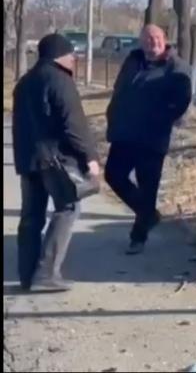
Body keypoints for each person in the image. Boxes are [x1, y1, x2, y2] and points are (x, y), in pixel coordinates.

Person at [12, 33, 101, 292]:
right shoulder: (60, 80)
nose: (74, 58)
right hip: (54, 159)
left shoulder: (25, 82)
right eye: (71, 54)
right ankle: (47, 273)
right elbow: (74, 123)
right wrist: (90, 157)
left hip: (28, 160)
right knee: (68, 207)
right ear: (59, 55)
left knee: (31, 217)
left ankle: (27, 275)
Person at [104, 24, 192, 255]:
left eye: (156, 38)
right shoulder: (133, 61)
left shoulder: (176, 66)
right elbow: (119, 89)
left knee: (148, 186)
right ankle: (149, 214)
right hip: (124, 133)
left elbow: (181, 101)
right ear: (141, 42)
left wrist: (159, 118)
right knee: (113, 175)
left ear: (164, 39)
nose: (152, 43)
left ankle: (138, 237)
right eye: (147, 39)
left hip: (152, 137)